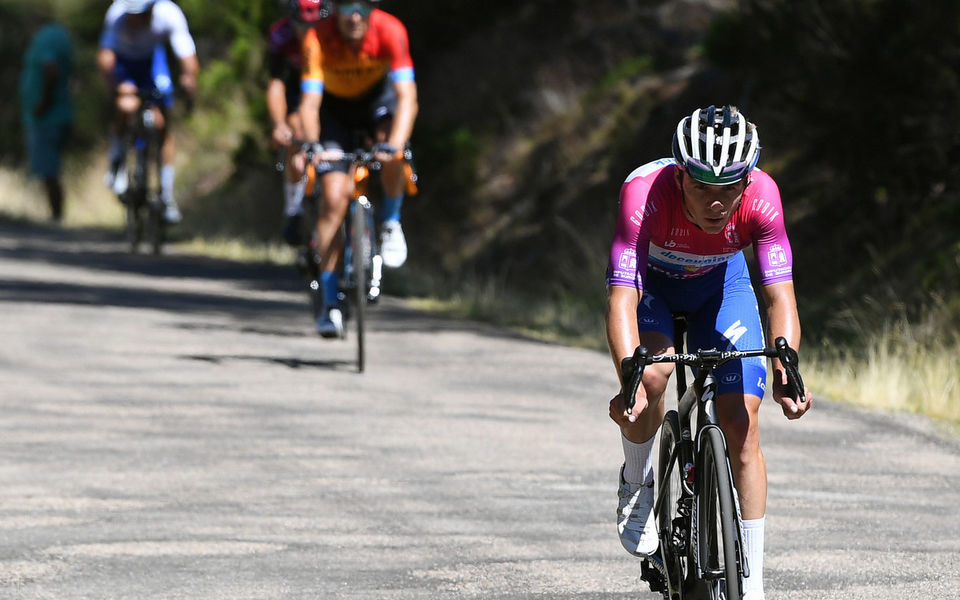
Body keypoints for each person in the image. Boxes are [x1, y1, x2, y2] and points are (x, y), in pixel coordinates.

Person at [605, 105, 813, 600]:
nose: (716, 203)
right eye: (702, 188)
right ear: (680, 177)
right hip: (653, 290)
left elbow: (780, 296)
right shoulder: (643, 194)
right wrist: (628, 379)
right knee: (651, 382)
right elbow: (622, 296)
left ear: (747, 179)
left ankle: (753, 584)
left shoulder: (763, 197)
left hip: (720, 291)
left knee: (742, 425)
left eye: (728, 189)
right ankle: (637, 481)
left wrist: (787, 365)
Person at [296, 0, 418, 337]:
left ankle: (391, 222)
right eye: (346, 5)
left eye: (362, 6)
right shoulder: (317, 38)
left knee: (394, 150)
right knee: (333, 197)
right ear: (333, 9)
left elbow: (407, 96)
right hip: (334, 112)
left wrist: (395, 144)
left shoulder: (390, 30)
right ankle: (330, 300)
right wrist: (313, 144)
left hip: (377, 103)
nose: (354, 15)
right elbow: (310, 101)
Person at [97, 0, 199, 225]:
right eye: (130, 14)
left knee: (162, 122)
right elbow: (106, 55)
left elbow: (187, 55)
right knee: (125, 107)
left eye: (140, 14)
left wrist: (189, 80)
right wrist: (114, 86)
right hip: (124, 63)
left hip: (152, 62)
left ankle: (166, 193)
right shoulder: (116, 14)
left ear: (152, 10)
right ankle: (117, 160)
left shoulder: (169, 14)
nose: (133, 19)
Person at [267, 0, 327, 246]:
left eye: (314, 25)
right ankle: (293, 209)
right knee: (296, 131)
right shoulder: (281, 35)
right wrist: (279, 123)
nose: (307, 31)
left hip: (329, 92)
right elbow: (276, 82)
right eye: (301, 25)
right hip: (295, 93)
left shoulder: (334, 33)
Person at [18, 20, 74, 222]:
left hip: (48, 116)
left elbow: (51, 70)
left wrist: (43, 102)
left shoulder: (47, 38)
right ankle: (55, 215)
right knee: (48, 168)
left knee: (49, 169)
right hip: (54, 114)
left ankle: (56, 216)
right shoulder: (60, 35)